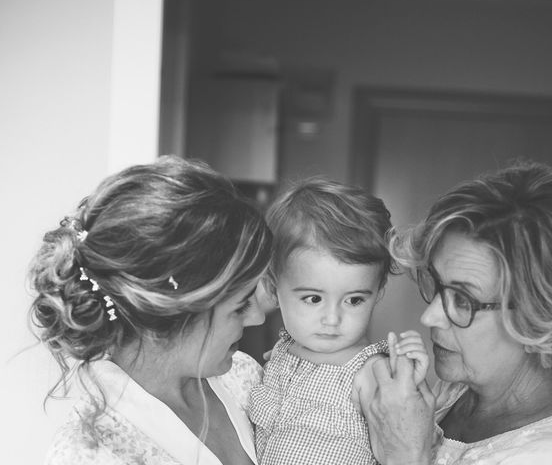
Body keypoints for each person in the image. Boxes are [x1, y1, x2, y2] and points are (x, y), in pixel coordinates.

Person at [356, 161, 552, 464]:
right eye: (437, 284)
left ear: (541, 315)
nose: (430, 317)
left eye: (464, 300)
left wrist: (402, 454)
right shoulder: (458, 390)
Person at [29, 156, 273, 465]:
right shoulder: (90, 455)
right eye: (240, 307)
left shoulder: (245, 376)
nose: (258, 318)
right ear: (173, 310)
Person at [247, 178, 429, 465]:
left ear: (378, 292)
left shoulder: (370, 372)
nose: (333, 319)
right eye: (313, 299)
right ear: (273, 288)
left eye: (354, 300)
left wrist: (407, 381)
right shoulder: (282, 354)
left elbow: (400, 446)